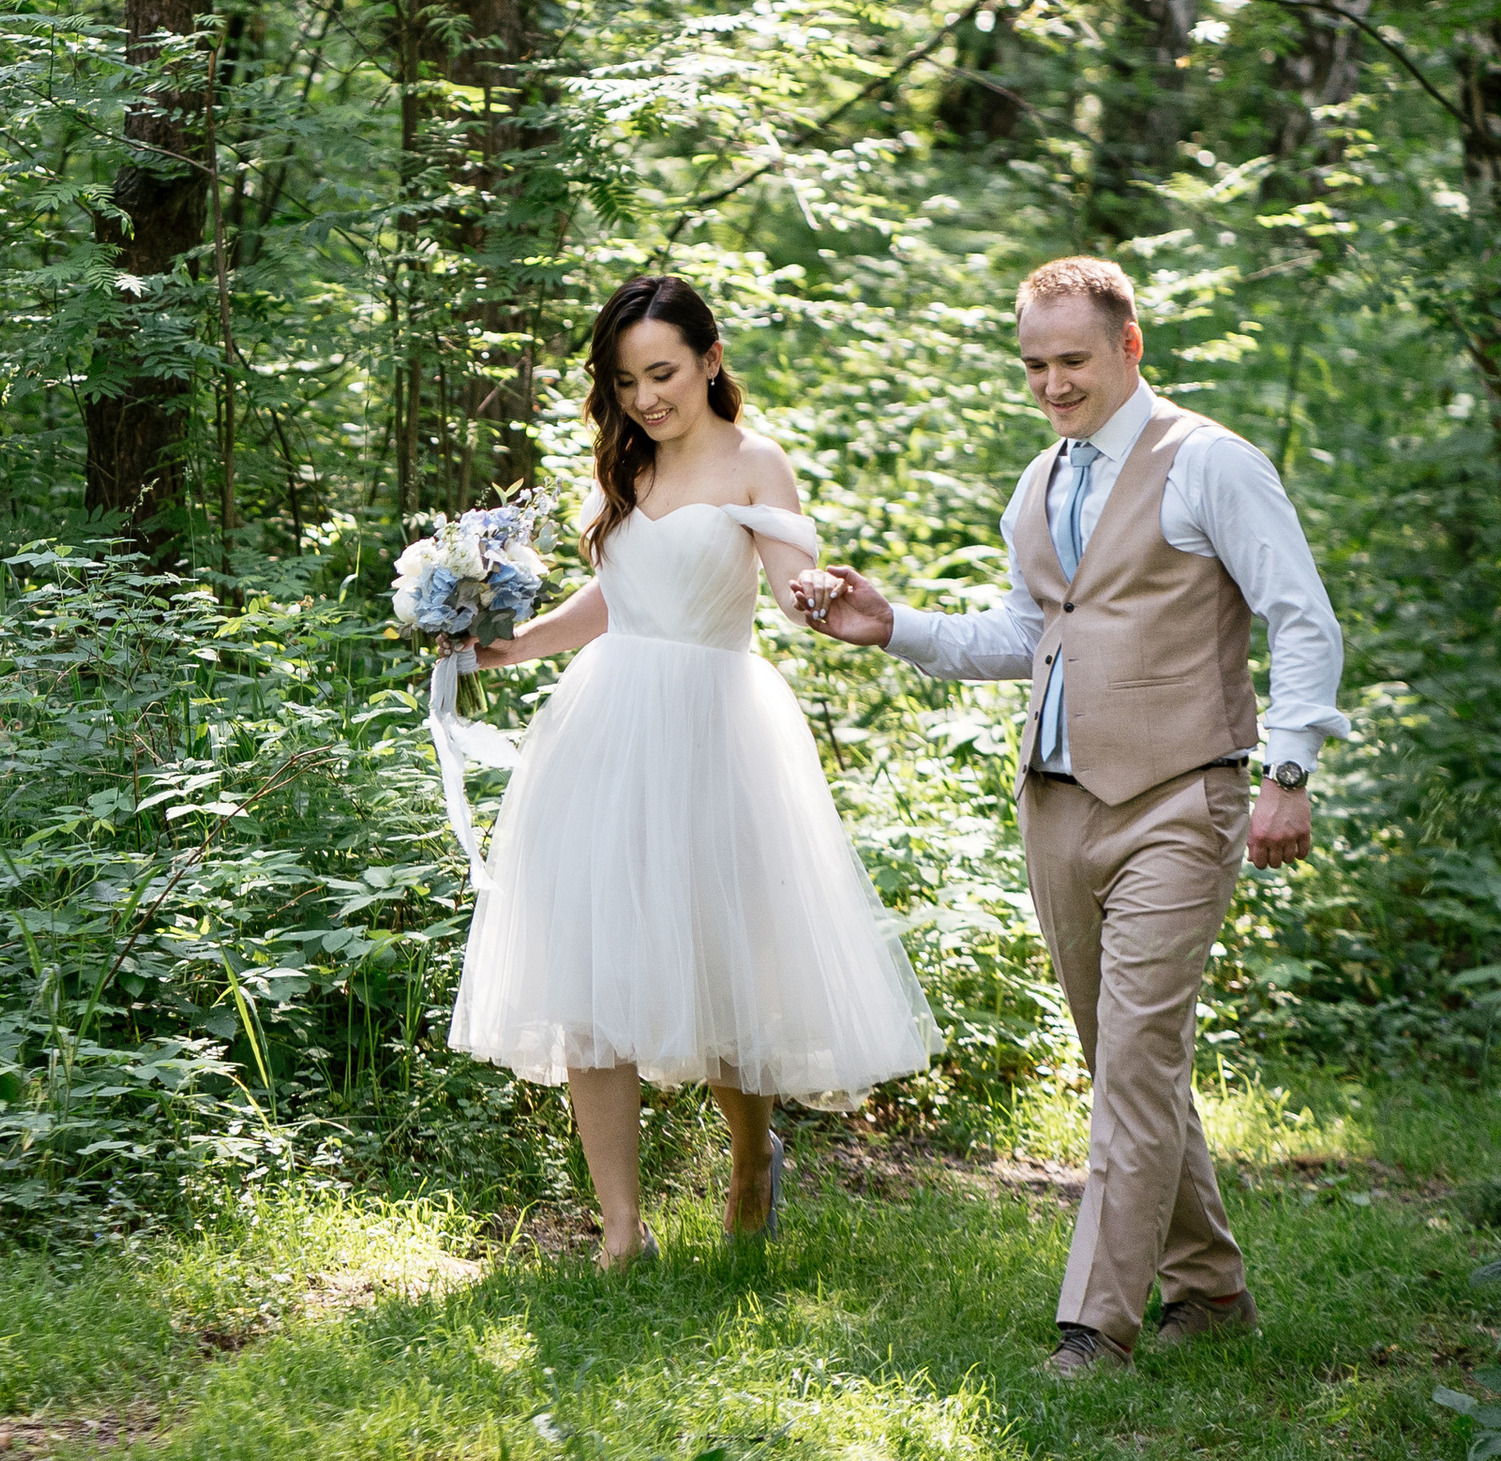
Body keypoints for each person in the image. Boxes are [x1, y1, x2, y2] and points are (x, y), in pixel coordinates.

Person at [799, 252, 1347, 1379]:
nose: (1052, 383)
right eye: (1035, 364)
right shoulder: (1040, 481)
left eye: (1073, 361)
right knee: (1121, 1061)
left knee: (1137, 1056)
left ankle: (1094, 1325)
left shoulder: (1210, 466)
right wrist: (889, 624)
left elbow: (1302, 620)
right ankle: (1212, 1288)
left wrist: (1288, 770)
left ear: (1128, 347)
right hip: (1056, 805)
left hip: (1180, 798)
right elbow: (1025, 635)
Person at [448, 273, 940, 1267]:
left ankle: (753, 1157)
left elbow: (788, 591)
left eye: (662, 373)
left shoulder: (756, 464)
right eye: (626, 381)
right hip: (603, 726)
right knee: (589, 966)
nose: (645, 400)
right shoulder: (625, 467)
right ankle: (622, 1230)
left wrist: (814, 594)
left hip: (715, 727)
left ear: (710, 361)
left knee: (718, 969)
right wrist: (507, 647)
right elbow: (614, 598)